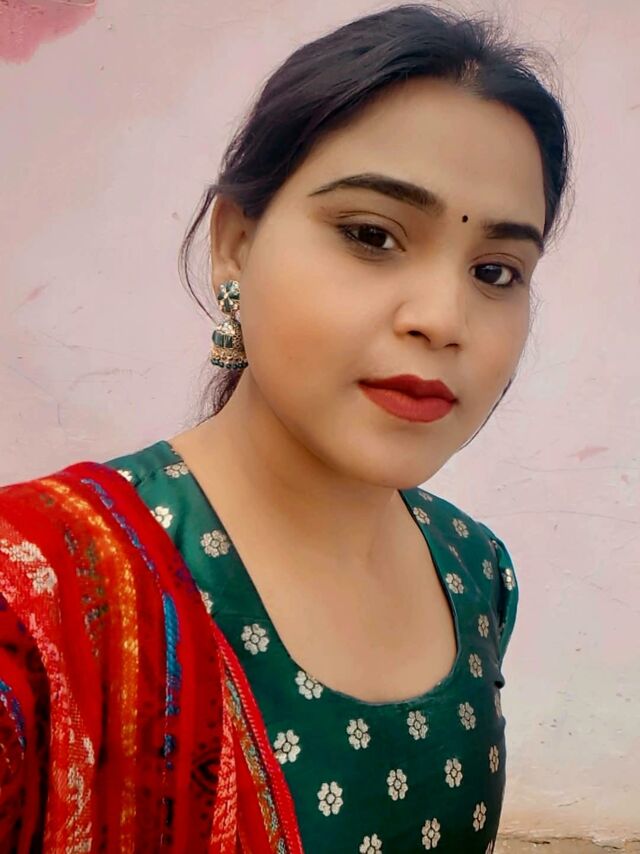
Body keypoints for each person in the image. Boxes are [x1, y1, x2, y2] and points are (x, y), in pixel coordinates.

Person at [0, 3, 572, 851]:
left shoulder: (475, 570)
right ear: (234, 244)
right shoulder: (35, 594)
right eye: (372, 235)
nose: (443, 318)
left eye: (495, 271)